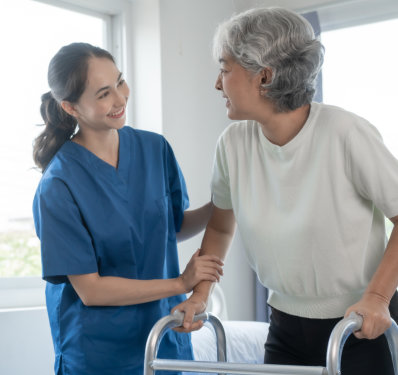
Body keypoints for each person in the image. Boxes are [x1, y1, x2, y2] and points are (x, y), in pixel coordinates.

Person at [172, 7, 398, 375]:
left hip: (358, 326)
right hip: (284, 325)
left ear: (265, 76)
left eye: (225, 69)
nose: (217, 83)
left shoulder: (345, 133)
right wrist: (200, 296)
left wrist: (376, 298)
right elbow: (220, 226)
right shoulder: (232, 144)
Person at [32, 42, 223, 375]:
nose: (120, 99)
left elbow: (172, 226)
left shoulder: (154, 148)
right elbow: (90, 290)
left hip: (163, 336)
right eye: (103, 94)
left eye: (120, 82)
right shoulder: (59, 184)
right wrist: (180, 284)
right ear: (71, 107)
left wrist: (222, 203)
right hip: (99, 354)